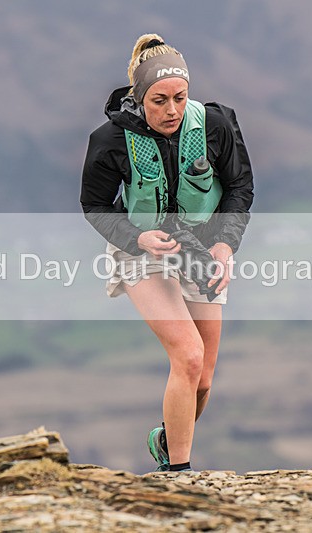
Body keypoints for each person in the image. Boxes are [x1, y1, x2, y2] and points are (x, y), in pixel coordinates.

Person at [81, 34, 254, 472]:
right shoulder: (110, 139)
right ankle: (178, 474)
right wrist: (137, 239)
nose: (172, 110)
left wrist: (224, 244)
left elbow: (238, 186)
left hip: (201, 247)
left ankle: (166, 435)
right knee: (188, 355)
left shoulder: (216, 124)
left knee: (203, 378)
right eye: (159, 100)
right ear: (139, 99)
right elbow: (95, 205)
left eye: (180, 97)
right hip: (140, 245)